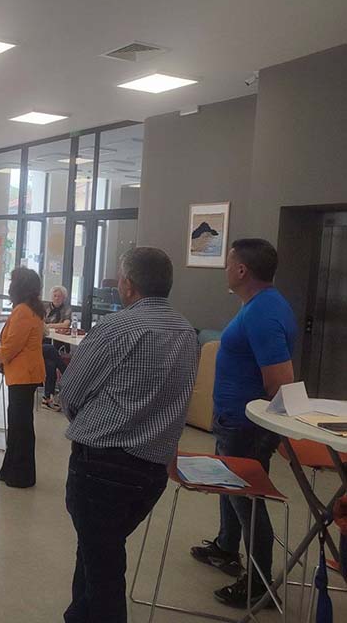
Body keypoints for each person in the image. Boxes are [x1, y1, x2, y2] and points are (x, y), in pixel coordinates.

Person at [58, 247, 198, 623]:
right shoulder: (187, 332)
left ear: (128, 285)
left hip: (102, 465)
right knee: (97, 551)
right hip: (150, 470)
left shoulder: (115, 328)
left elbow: (70, 392)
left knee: (103, 568)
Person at [190, 239, 296, 608]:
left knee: (247, 498)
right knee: (230, 487)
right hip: (233, 421)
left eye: (228, 263)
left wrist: (265, 431)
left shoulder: (264, 312)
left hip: (245, 427)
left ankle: (260, 583)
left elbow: (280, 381)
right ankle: (225, 547)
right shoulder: (259, 304)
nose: (225, 269)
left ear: (241, 270)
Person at [0, 267, 45, 489]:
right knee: (19, 423)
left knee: (20, 425)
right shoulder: (31, 309)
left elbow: (13, 343)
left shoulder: (23, 311)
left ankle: (20, 474)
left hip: (23, 374)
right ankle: (11, 470)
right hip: (26, 374)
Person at [41, 284, 72, 410]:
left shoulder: (66, 308)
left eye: (59, 296)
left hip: (58, 343)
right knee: (51, 351)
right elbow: (41, 324)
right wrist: (54, 325)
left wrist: (49, 325)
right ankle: (69, 377)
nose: (57, 298)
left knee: (51, 363)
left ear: (64, 298)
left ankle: (47, 398)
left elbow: (66, 325)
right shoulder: (45, 307)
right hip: (42, 343)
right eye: (55, 295)